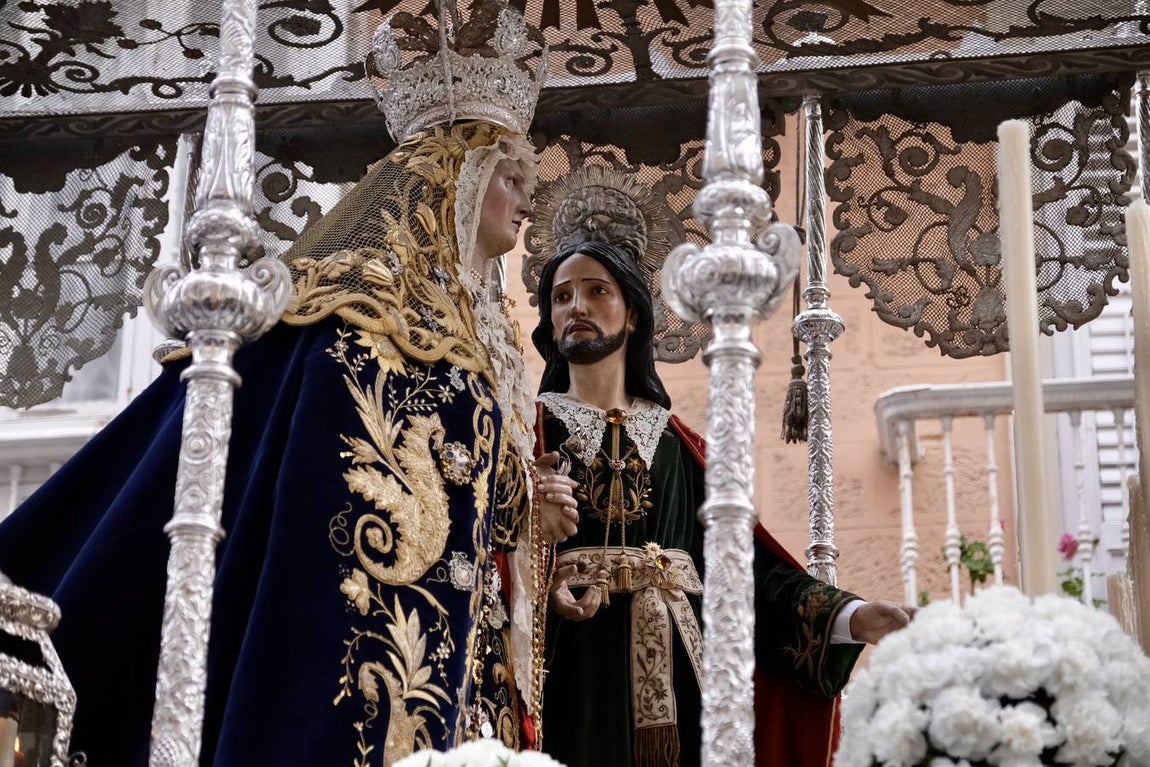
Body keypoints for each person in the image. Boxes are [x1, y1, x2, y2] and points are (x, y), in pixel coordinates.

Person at [0, 2, 573, 764]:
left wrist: (534, 517)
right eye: (511, 177)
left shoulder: (473, 344)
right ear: (456, 183)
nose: (528, 201)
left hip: (473, 677)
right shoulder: (364, 336)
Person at [531, 237, 914, 767]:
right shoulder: (527, 435)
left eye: (597, 291)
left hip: (686, 676)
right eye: (561, 296)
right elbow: (488, 556)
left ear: (634, 316)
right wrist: (537, 555)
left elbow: (745, 572)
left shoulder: (679, 446)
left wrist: (850, 617)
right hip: (574, 668)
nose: (576, 306)